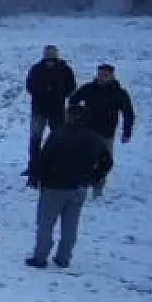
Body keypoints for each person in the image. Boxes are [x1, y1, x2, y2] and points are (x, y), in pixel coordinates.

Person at [26, 97, 114, 270]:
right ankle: (63, 257)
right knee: (70, 225)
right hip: (80, 187)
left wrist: (36, 177)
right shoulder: (94, 138)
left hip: (55, 186)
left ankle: (40, 257)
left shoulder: (59, 134)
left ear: (70, 116)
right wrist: (93, 177)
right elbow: (107, 162)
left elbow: (44, 158)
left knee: (46, 223)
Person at [70, 64, 136, 195]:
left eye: (105, 75)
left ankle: (97, 188)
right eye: (100, 74)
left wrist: (126, 132)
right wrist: (78, 117)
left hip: (107, 133)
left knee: (104, 162)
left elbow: (128, 113)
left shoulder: (119, 93)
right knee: (84, 159)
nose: (102, 77)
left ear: (112, 76)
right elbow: (73, 101)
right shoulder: (89, 88)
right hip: (87, 132)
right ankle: (82, 185)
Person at [24, 45, 77, 175]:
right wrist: (39, 95)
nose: (49, 56)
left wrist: (58, 96)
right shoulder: (36, 69)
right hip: (38, 109)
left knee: (59, 138)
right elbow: (29, 86)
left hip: (57, 110)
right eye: (47, 53)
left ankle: (58, 165)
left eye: (51, 53)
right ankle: (34, 166)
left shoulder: (65, 69)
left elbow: (71, 87)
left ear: (56, 55)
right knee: (35, 139)